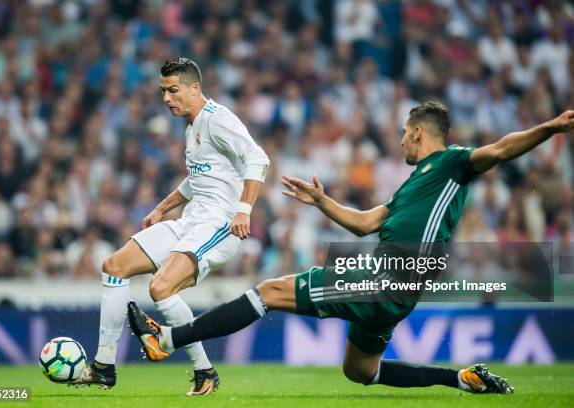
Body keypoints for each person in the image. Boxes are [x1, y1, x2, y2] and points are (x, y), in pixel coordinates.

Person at [129, 102, 574, 394]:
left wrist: (552, 127)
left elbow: (500, 149)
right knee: (360, 372)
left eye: (404, 132)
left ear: (419, 133)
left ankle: (166, 339)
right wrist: (323, 202)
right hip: (393, 290)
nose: (400, 140)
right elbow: (364, 223)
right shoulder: (411, 188)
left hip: (387, 278)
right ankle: (461, 379)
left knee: (269, 292)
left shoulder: (454, 163)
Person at [73, 58, 270, 396]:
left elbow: (259, 158)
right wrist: (161, 209)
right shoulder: (190, 126)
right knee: (114, 267)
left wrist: (244, 210)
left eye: (173, 90)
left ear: (195, 88)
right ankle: (104, 365)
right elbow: (198, 180)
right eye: (163, 91)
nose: (166, 98)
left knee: (160, 288)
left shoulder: (218, 121)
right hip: (191, 220)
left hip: (220, 225)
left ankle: (203, 370)